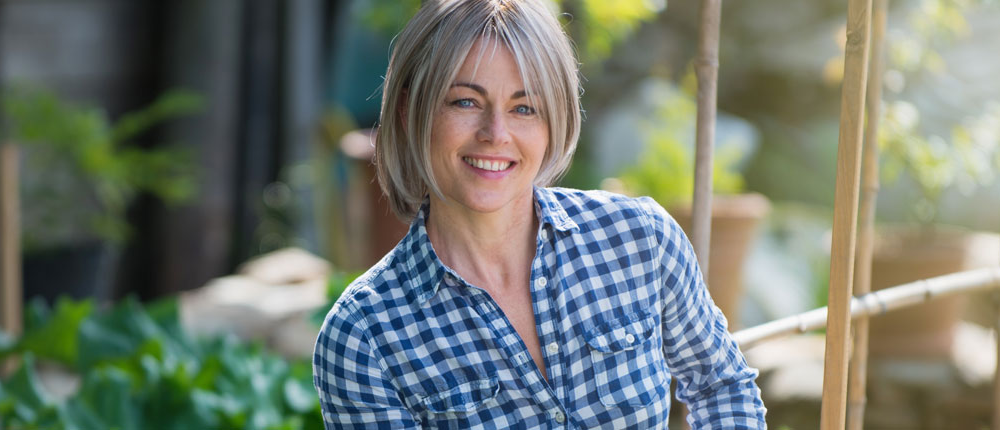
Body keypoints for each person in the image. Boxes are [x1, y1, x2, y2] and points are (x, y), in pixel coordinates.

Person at [312, 0, 767, 428]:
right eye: (465, 101)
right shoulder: (364, 335)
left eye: (524, 108)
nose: (496, 133)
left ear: (554, 123)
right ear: (412, 110)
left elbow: (721, 386)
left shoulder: (639, 239)